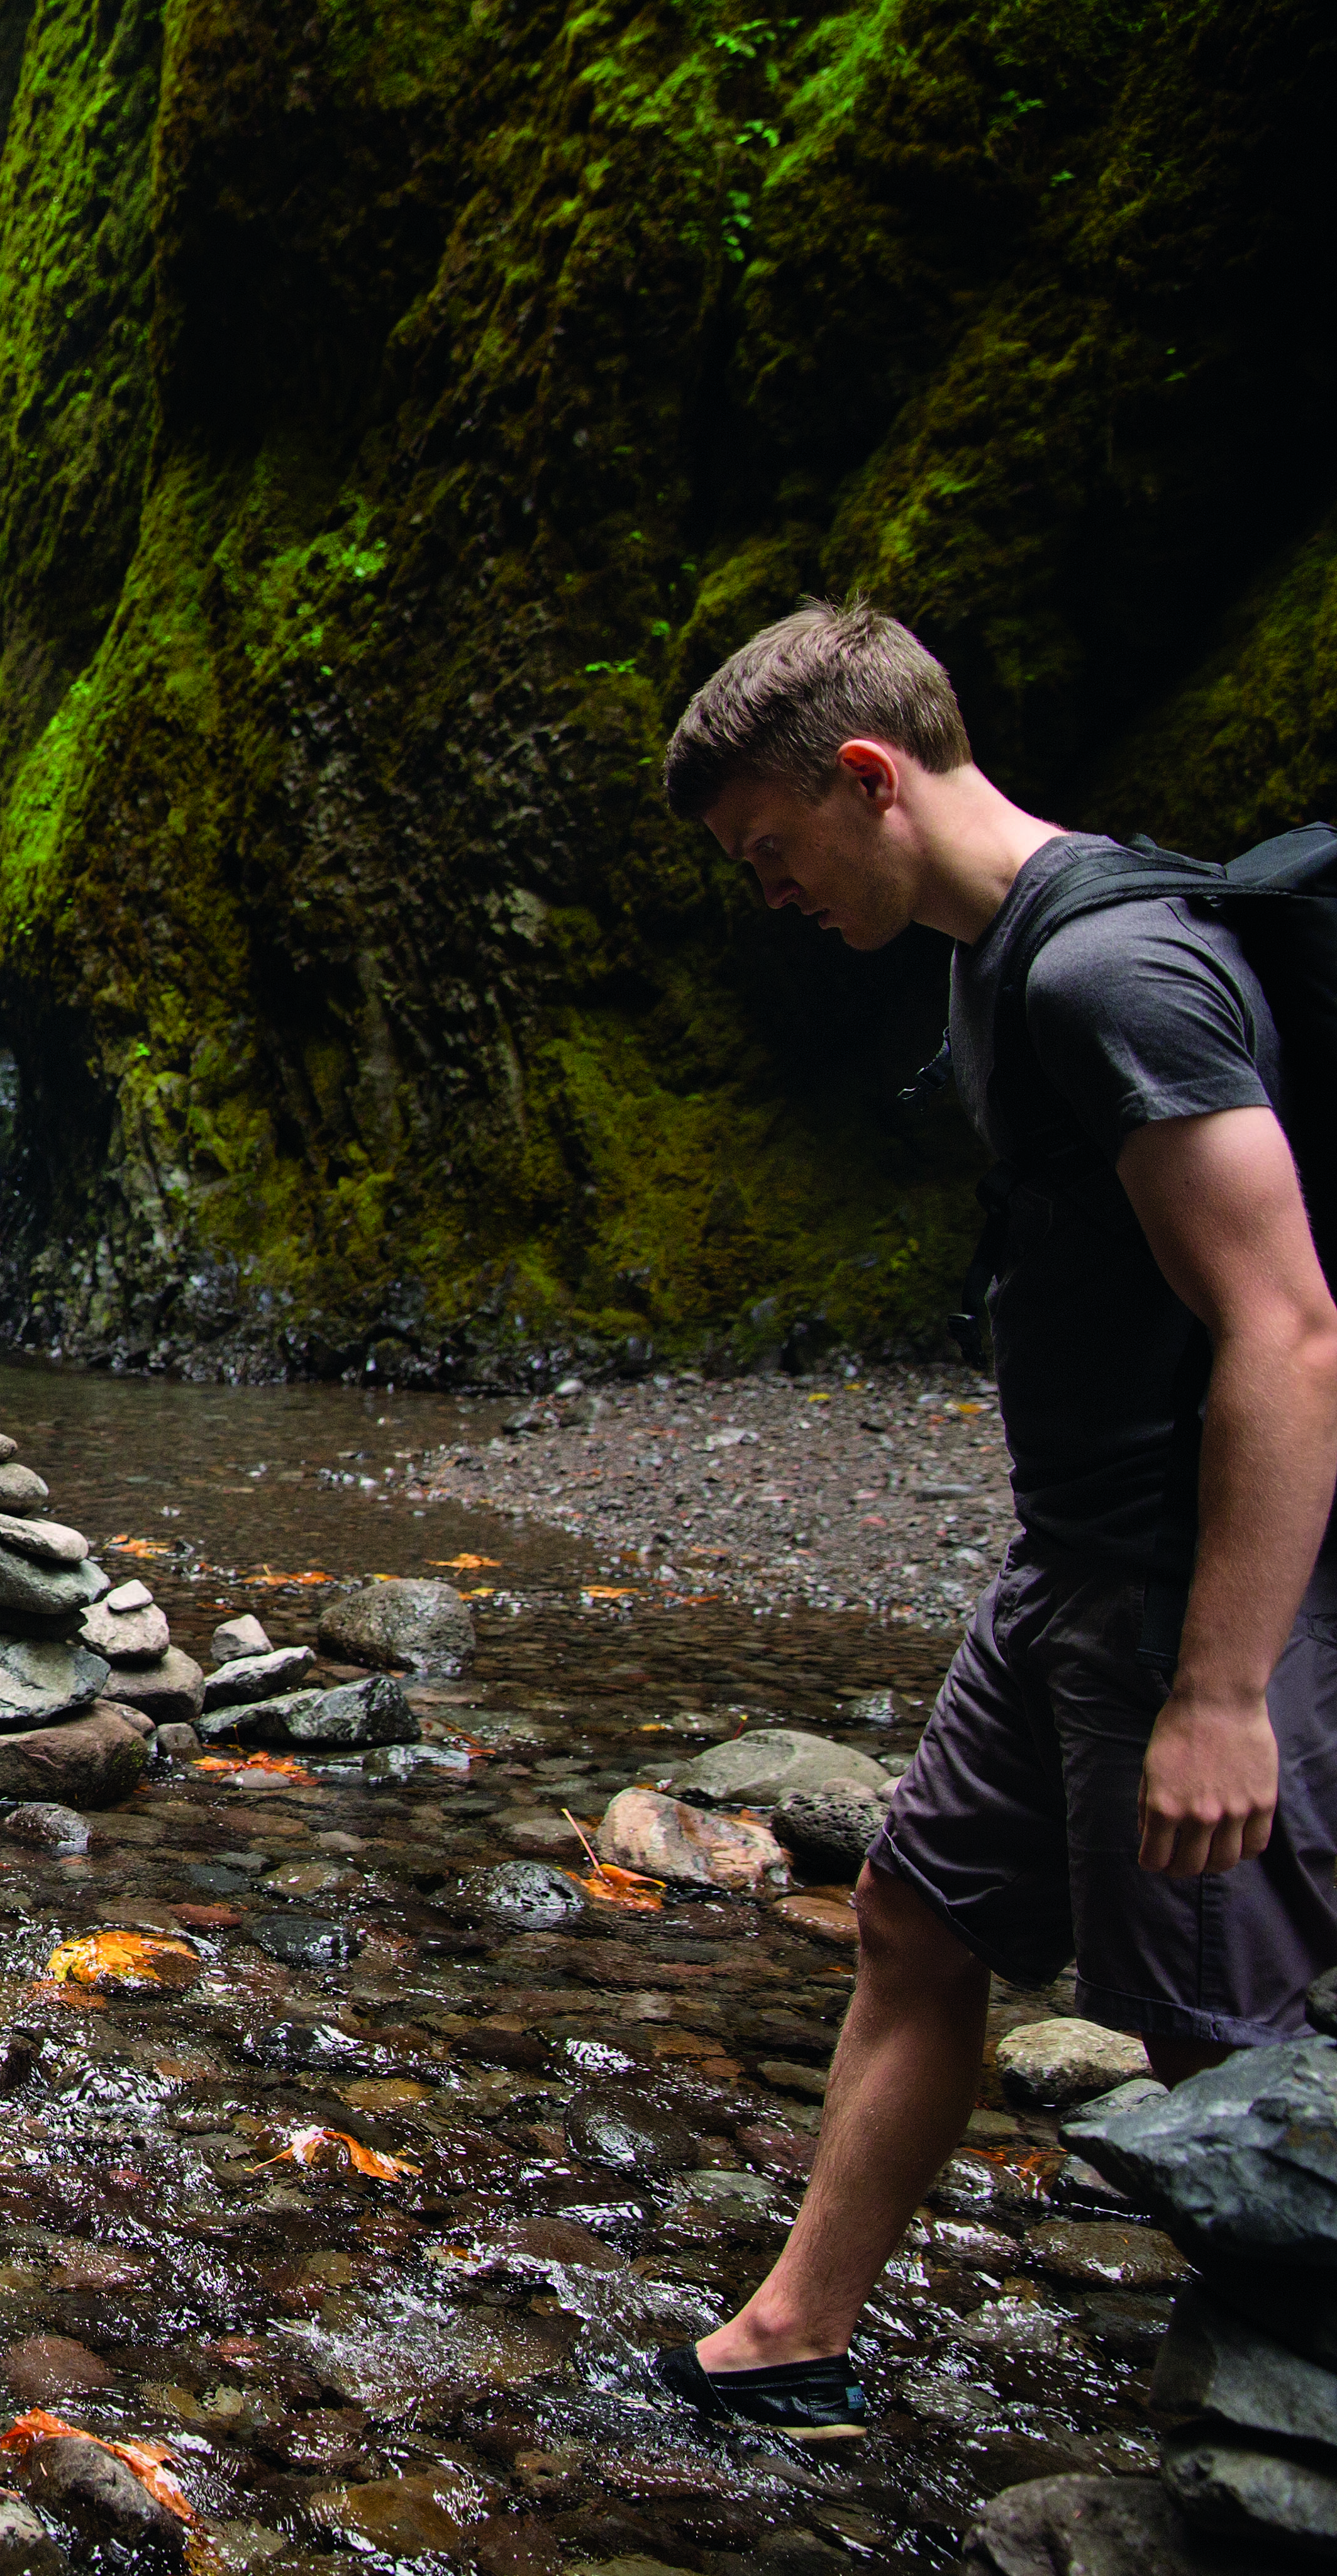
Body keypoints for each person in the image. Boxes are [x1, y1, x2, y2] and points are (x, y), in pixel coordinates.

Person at [652, 599, 1337, 2436]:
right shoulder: (994, 959)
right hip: (1079, 1566)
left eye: (771, 850)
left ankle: (1275, 2456)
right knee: (914, 1912)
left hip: (1192, 1588)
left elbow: (1286, 1328)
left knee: (1228, 2054)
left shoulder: (1105, 978)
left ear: (867, 777)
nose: (768, 893)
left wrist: (1225, 1692)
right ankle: (794, 2339)